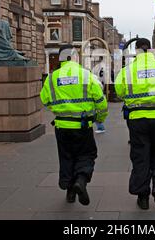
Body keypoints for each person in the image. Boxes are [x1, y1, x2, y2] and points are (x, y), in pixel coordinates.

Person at [40, 45, 108, 206]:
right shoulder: (86, 75)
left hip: (62, 126)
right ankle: (81, 180)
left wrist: (58, 110)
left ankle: (69, 190)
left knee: (66, 157)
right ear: (75, 57)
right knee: (86, 155)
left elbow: (45, 100)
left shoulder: (51, 78)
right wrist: (99, 117)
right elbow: (100, 100)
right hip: (82, 126)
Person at [115, 39, 155, 211]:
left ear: (136, 50)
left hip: (137, 118)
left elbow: (119, 91)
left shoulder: (127, 70)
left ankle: (143, 197)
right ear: (150, 49)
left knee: (140, 155)